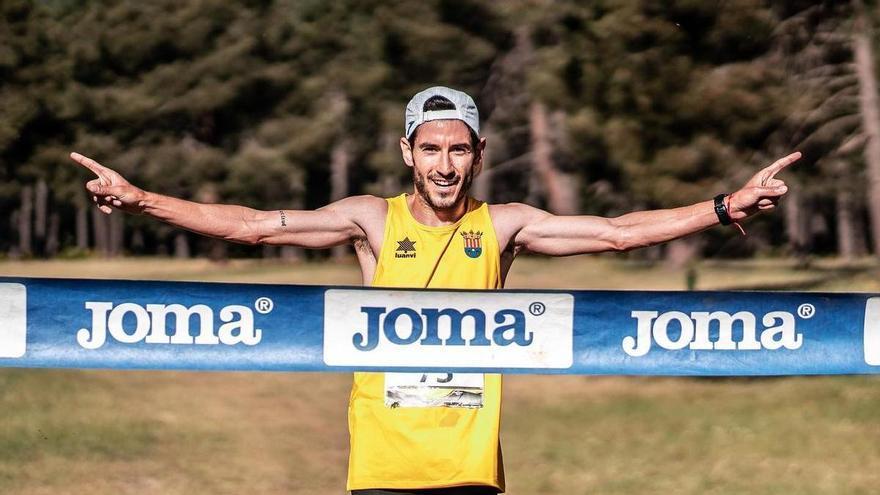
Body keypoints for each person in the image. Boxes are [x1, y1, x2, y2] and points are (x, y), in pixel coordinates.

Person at [71, 86, 799, 494]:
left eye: (458, 149)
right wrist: (143, 202)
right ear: (407, 153)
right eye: (431, 148)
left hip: (471, 467)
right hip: (382, 466)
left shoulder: (506, 224)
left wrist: (723, 206)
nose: (445, 165)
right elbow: (255, 226)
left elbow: (613, 232)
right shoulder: (370, 220)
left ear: (478, 154)